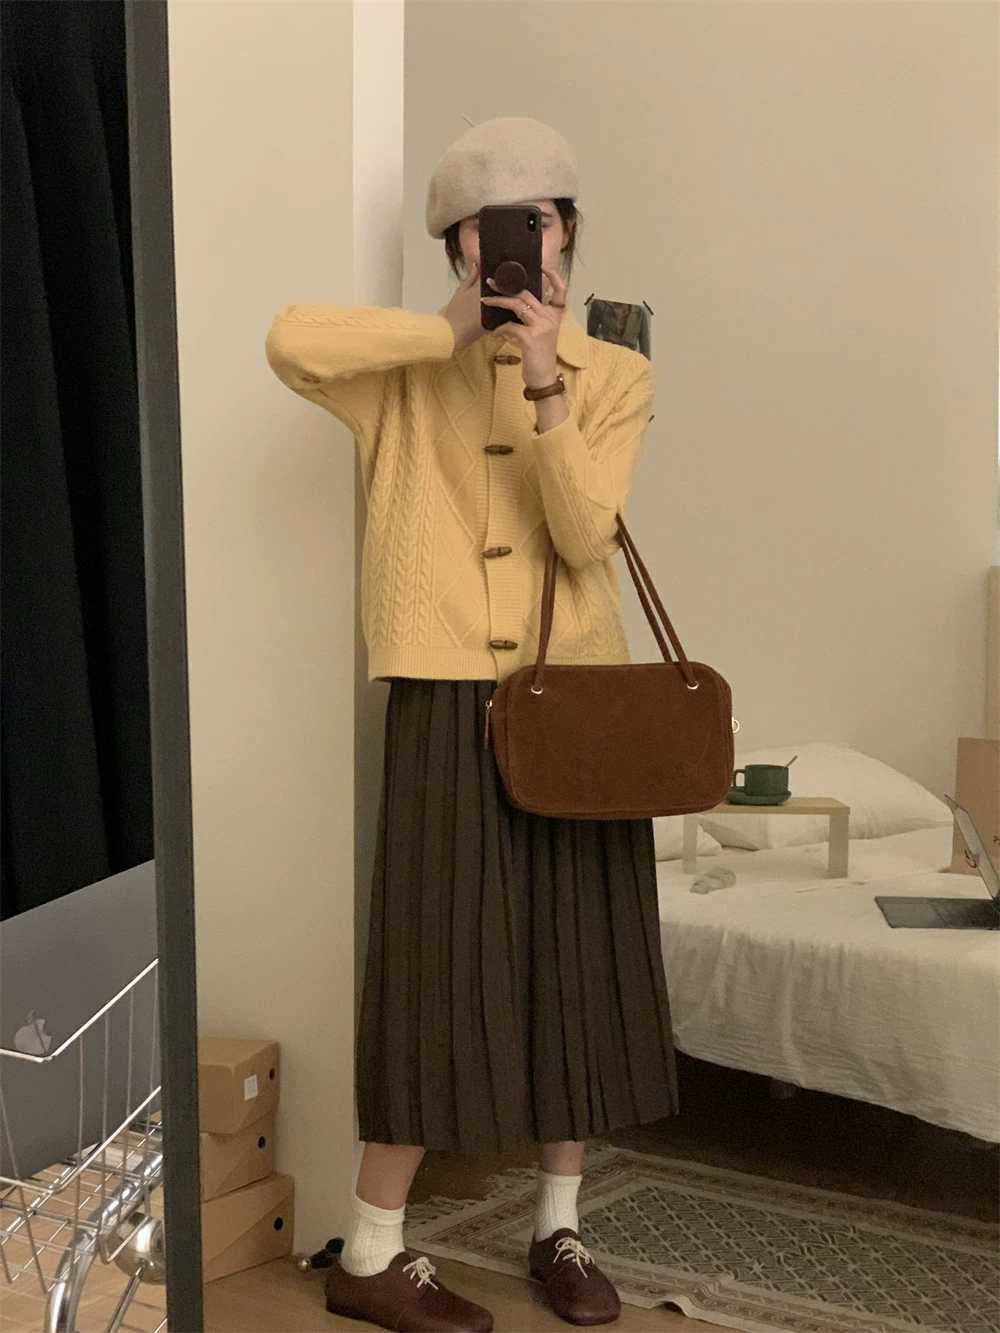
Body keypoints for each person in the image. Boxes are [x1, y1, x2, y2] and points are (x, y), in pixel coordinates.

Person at [264, 116, 679, 1333]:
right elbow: (289, 342)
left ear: (569, 232)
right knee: (433, 964)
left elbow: (585, 536)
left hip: (576, 694)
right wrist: (450, 327)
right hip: (445, 689)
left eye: (538, 222)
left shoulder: (616, 374)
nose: (518, 246)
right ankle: (371, 1254)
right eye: (487, 229)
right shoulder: (404, 370)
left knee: (574, 962)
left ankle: (560, 1228)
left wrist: (547, 381)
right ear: (456, 246)